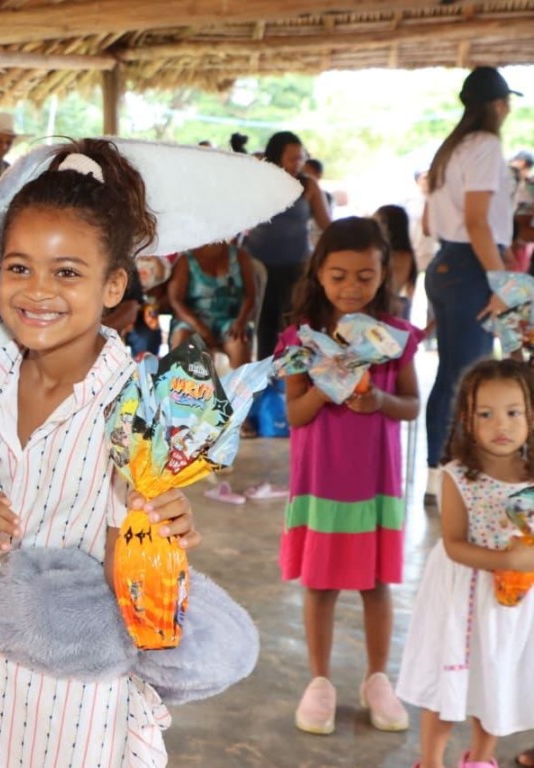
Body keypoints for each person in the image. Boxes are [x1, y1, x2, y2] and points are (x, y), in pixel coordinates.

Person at [0, 139, 200, 767]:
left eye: (68, 273)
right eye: (19, 267)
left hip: (77, 681)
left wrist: (162, 524)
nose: (38, 291)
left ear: (113, 286)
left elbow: (134, 544)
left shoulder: (138, 405)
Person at [276, 217, 423, 736]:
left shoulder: (395, 339)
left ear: (384, 274)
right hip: (320, 483)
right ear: (318, 273)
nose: (351, 287)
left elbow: (411, 405)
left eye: (365, 275)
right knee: (319, 585)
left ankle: (377, 678)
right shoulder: (300, 341)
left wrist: (379, 399)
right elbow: (294, 415)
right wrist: (328, 384)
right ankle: (319, 682)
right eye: (338, 275)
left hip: (375, 484)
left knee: (375, 583)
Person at [397, 359, 534, 768]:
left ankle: (480, 759)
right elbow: (454, 545)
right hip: (461, 602)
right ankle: (432, 761)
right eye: (485, 414)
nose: (500, 425)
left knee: (496, 682)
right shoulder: (458, 477)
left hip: (513, 605)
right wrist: (504, 558)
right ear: (466, 420)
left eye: (513, 413)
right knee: (448, 684)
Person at [423, 66, 520, 505]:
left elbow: (433, 220)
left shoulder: (452, 147)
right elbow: (479, 221)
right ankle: (450, 479)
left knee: (453, 374)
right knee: (467, 376)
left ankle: (439, 475)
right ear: (499, 106)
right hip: (470, 265)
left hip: (450, 262)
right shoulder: (484, 144)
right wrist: (499, 278)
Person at [245, 131, 332, 358]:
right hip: (259, 265)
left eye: (301, 158)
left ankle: (291, 378)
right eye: (292, 158)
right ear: (276, 157)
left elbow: (327, 225)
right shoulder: (258, 181)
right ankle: (264, 378)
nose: (298, 163)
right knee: (264, 323)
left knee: (292, 322)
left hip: (296, 265)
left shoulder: (308, 186)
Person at [166, 239, 257, 367]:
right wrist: (199, 327)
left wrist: (241, 321)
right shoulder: (186, 260)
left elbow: (251, 296)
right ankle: (182, 385)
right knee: (184, 340)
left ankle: (241, 386)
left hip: (229, 320)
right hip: (193, 320)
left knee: (239, 342)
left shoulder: (240, 256)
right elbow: (176, 300)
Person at [373, 204, 419, 320]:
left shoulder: (388, 255)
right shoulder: (407, 255)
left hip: (387, 307)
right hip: (399, 305)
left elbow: (390, 287)